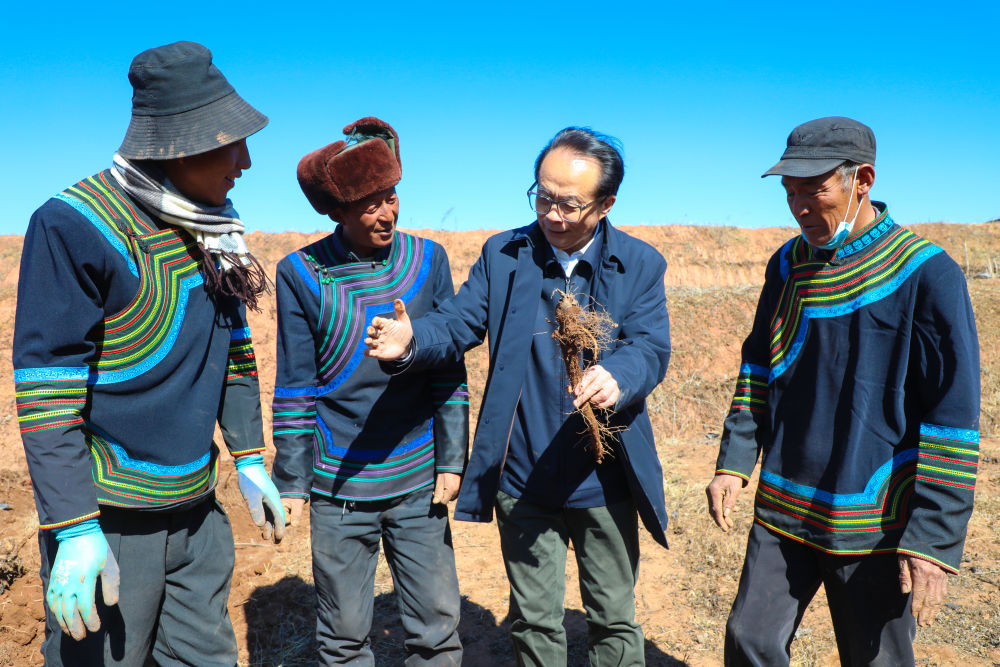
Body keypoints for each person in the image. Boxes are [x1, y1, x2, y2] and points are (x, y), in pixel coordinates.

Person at [13, 41, 285, 666]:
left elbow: (234, 352)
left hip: (197, 518)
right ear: (178, 146)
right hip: (110, 524)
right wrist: (75, 526)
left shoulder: (214, 231)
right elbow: (48, 387)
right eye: (229, 142)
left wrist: (248, 457)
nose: (245, 161)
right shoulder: (75, 226)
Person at [365, 126, 671, 666]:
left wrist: (618, 376)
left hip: (603, 479)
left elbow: (649, 346)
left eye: (569, 204)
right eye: (542, 197)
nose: (552, 214)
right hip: (523, 474)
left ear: (605, 205)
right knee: (533, 620)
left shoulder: (641, 263)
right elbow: (458, 322)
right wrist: (413, 340)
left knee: (614, 620)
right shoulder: (505, 254)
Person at [705, 116, 980, 666]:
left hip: (873, 515)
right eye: (789, 191)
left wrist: (932, 538)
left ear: (863, 180)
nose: (799, 207)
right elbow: (758, 367)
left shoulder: (926, 273)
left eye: (814, 189)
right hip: (785, 499)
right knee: (749, 640)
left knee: (875, 658)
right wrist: (734, 462)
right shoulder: (787, 265)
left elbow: (953, 413)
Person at [272, 117, 468, 665]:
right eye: (369, 205)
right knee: (343, 637)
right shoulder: (301, 273)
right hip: (339, 484)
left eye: (391, 197)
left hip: (417, 476)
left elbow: (447, 365)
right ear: (336, 211)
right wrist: (292, 482)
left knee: (436, 630)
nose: (386, 214)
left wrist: (452, 459)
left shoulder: (428, 261)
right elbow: (296, 385)